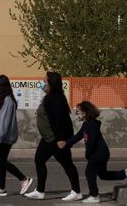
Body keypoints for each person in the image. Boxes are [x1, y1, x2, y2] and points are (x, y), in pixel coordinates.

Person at [58, 101, 127, 203]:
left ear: (85, 113)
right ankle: (125, 173)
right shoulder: (87, 124)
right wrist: (66, 143)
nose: (76, 114)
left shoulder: (90, 125)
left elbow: (92, 141)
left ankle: (94, 196)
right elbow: (78, 136)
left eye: (78, 112)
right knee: (103, 174)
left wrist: (88, 154)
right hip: (101, 153)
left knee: (89, 173)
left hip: (98, 154)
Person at [25, 72, 82, 201]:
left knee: (67, 164)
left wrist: (61, 139)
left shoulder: (55, 99)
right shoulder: (50, 97)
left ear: (51, 84)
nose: (42, 84)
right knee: (39, 160)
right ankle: (40, 191)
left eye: (44, 82)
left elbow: (59, 121)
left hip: (55, 139)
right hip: (48, 138)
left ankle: (77, 191)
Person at [0, 75, 33, 197]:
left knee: (0, 160)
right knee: (0, 161)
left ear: (1, 86)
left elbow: (5, 121)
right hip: (6, 136)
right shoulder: (6, 100)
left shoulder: (8, 100)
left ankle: (23, 179)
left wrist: (0, 137)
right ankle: (1, 188)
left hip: (6, 136)